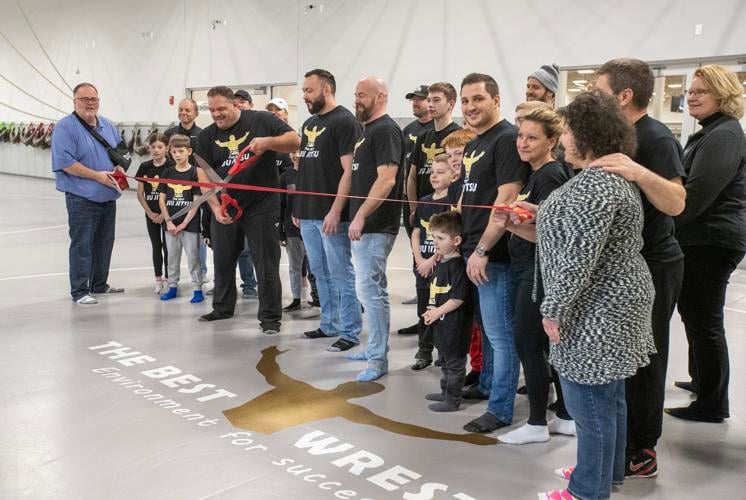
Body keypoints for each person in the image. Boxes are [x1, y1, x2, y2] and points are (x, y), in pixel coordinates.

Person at [536, 90, 655, 500]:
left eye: (567, 131)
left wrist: (553, 309)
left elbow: (579, 257)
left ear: (586, 135)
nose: (562, 139)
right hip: (613, 300)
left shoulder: (596, 186)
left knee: (589, 401)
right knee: (609, 396)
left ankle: (588, 489)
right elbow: (580, 235)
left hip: (598, 307)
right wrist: (537, 218)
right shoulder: (607, 180)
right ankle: (605, 471)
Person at [592, 58, 687, 477]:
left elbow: (676, 202)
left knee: (645, 358)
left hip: (655, 264)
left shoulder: (656, 137)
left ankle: (642, 449)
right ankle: (617, 447)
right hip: (624, 264)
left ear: (624, 95)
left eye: (599, 91)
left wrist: (638, 172)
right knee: (621, 357)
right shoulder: (616, 136)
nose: (593, 98)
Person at [667, 65, 746, 423]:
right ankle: (702, 381)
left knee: (705, 320)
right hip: (703, 238)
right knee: (696, 316)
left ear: (723, 95)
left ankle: (713, 403)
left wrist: (663, 225)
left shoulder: (724, 135)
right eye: (691, 91)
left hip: (711, 240)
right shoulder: (711, 132)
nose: (692, 97)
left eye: (701, 91)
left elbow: (697, 196)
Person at [490, 107, 573, 445]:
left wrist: (508, 225)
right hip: (530, 269)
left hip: (538, 273)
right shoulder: (537, 174)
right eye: (521, 136)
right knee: (539, 346)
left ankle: (537, 422)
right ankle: (564, 414)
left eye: (532, 138)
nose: (522, 143)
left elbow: (550, 234)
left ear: (552, 141)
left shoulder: (550, 175)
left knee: (528, 343)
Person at [195, 86, 300, 335]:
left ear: (236, 104)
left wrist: (268, 142)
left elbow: (295, 140)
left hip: (262, 205)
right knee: (222, 260)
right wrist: (215, 207)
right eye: (212, 110)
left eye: (221, 108)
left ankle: (270, 318)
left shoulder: (262, 120)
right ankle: (222, 308)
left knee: (266, 263)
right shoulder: (207, 136)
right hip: (226, 206)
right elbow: (203, 173)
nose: (216, 114)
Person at [458, 73, 529, 433]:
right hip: (472, 247)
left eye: (478, 99)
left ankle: (500, 408)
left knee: (502, 336)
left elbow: (506, 199)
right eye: (465, 100)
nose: (470, 107)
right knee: (486, 329)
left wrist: (483, 248)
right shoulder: (474, 143)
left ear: (496, 100)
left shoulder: (505, 140)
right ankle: (486, 383)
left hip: (495, 254)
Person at [295, 68, 363, 352]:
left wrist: (336, 210)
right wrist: (298, 206)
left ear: (326, 89)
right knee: (319, 272)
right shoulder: (308, 124)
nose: (305, 96)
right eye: (303, 91)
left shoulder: (345, 121)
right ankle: (329, 323)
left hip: (332, 214)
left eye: (309, 90)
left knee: (340, 273)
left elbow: (350, 171)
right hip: (308, 212)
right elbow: (304, 168)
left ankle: (350, 331)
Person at [344, 76, 404, 382]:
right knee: (366, 291)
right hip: (364, 226)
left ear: (380, 97)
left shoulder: (385, 130)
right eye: (356, 94)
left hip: (377, 226)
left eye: (362, 95)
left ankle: (378, 359)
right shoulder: (366, 131)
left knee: (372, 292)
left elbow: (387, 179)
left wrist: (361, 216)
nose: (357, 100)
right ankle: (373, 348)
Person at [51, 82, 125, 305]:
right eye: (84, 99)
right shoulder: (65, 128)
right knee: (82, 245)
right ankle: (80, 291)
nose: (90, 103)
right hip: (81, 198)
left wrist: (120, 167)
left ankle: (99, 284)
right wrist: (97, 176)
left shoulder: (108, 125)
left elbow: (121, 152)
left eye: (93, 99)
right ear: (75, 102)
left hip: (108, 196)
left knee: (105, 243)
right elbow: (65, 163)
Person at [410, 155, 458, 370]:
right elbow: (415, 233)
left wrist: (432, 260)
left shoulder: (451, 204)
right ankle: (424, 350)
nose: (434, 176)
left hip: (442, 267)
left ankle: (444, 351)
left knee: (442, 311)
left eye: (440, 172)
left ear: (453, 176)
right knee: (424, 309)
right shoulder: (424, 201)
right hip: (423, 268)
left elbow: (448, 238)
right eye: (432, 172)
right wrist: (420, 259)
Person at [422, 210, 473, 412]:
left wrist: (437, 312)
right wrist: (431, 311)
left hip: (455, 325)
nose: (435, 242)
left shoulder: (457, 266)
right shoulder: (441, 262)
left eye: (440, 238)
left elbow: (458, 298)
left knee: (454, 364)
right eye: (433, 237)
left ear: (456, 240)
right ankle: (445, 392)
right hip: (441, 323)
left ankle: (453, 399)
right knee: (443, 360)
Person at [164, 98, 209, 288]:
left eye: (188, 110)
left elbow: (205, 162)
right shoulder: (169, 134)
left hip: (197, 188)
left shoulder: (203, 135)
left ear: (196, 113)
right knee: (171, 238)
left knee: (196, 233)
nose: (183, 113)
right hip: (173, 191)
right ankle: (171, 278)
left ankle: (201, 272)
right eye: (181, 109)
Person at [399, 84, 434, 312]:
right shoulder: (408, 130)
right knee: (416, 247)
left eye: (419, 99)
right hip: (410, 199)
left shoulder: (435, 129)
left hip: (433, 199)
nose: (415, 103)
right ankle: (420, 291)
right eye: (413, 99)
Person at [157, 135, 203, 303]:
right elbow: (161, 199)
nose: (177, 155)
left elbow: (196, 201)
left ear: (189, 151)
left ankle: (197, 289)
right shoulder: (167, 172)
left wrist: (184, 223)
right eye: (174, 152)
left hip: (190, 225)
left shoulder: (194, 173)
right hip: (170, 226)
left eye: (181, 151)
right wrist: (168, 221)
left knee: (193, 257)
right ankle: (172, 287)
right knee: (172, 258)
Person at [135, 133, 174, 293]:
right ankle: (158, 278)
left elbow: (173, 193)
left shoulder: (171, 166)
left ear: (167, 148)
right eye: (153, 147)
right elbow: (140, 194)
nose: (156, 150)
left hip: (167, 214)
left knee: (169, 247)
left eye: (160, 147)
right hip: (151, 214)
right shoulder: (144, 167)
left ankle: (169, 278)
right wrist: (150, 213)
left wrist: (164, 215)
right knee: (156, 245)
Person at [279, 150, 305, 312]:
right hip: (292, 229)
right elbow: (281, 204)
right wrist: (280, 232)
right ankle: (296, 299)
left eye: (299, 151)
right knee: (295, 266)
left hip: (313, 226)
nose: (296, 155)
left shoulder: (313, 173)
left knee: (318, 266)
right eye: (293, 152)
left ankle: (318, 297)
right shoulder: (285, 177)